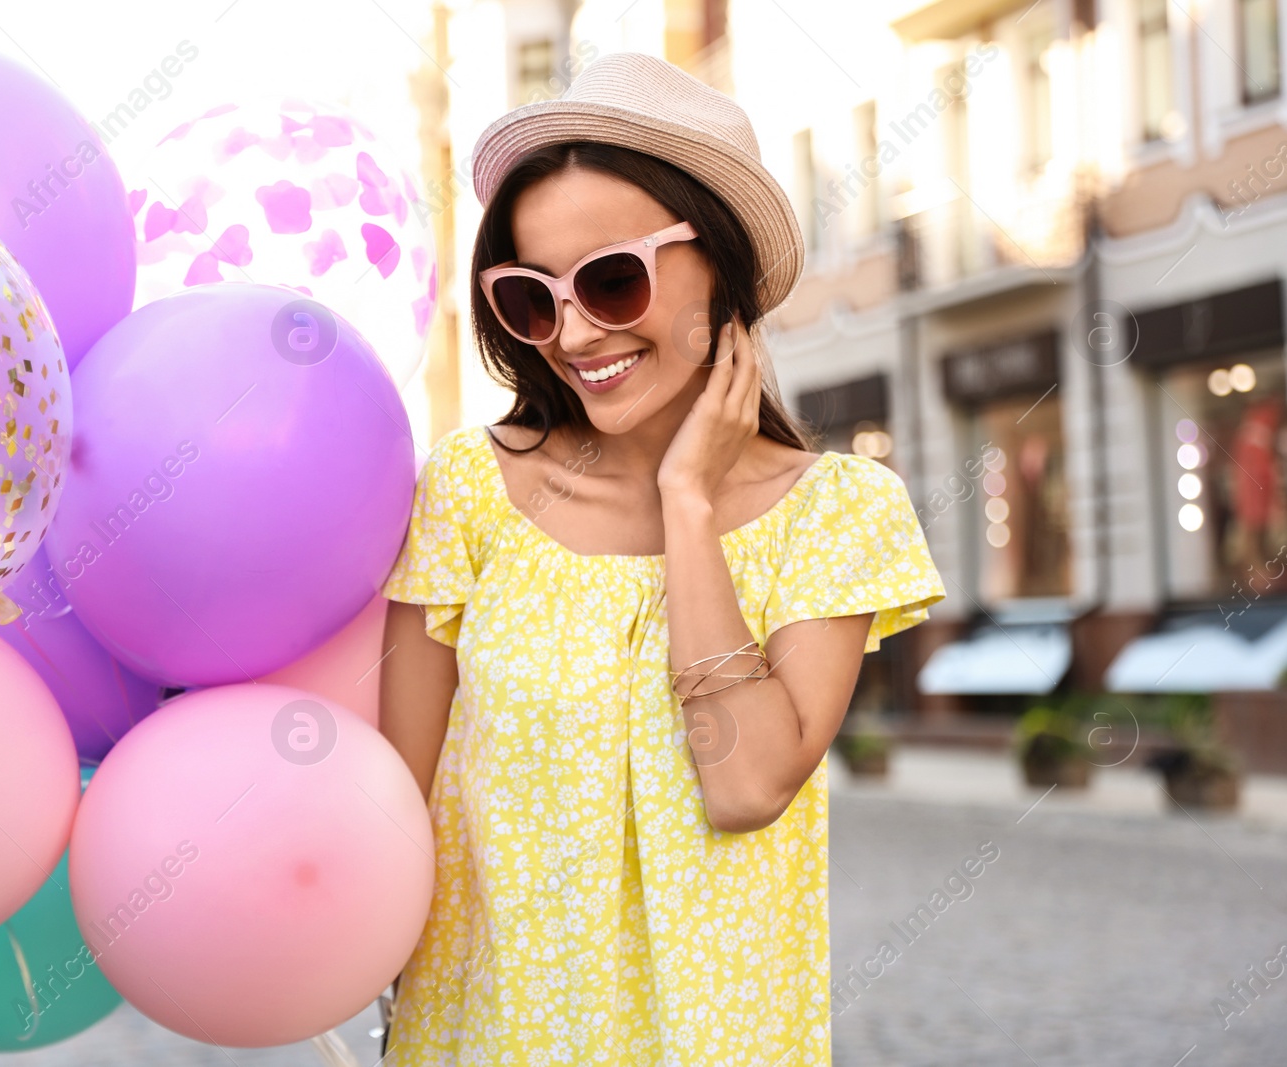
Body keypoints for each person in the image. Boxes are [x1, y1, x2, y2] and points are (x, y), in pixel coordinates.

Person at [376, 51, 945, 1066]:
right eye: (529, 296)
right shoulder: (468, 492)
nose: (576, 330)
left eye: (611, 277)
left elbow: (747, 782)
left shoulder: (838, 512)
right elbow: (388, 805)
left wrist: (686, 504)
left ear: (717, 261)